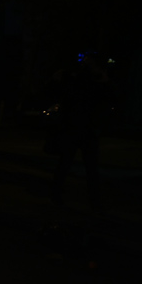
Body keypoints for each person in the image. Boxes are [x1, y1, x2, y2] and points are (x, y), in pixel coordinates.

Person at [50, 51, 111, 211]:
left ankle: (58, 195)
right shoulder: (92, 81)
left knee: (66, 163)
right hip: (85, 128)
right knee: (88, 167)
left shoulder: (75, 80)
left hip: (75, 127)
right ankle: (94, 202)